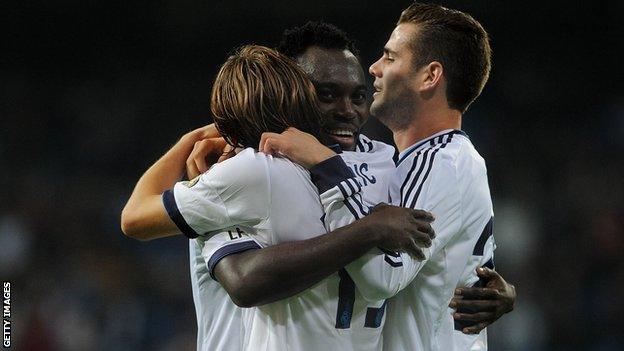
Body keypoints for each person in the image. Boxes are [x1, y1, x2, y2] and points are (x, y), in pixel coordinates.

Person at [121, 45, 435, 351]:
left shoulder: (250, 173)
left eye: (357, 96)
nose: (346, 109)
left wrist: (190, 141)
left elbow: (134, 219)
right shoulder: (383, 166)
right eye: (325, 95)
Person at [259, 3, 512, 350]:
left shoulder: (441, 163)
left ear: (430, 76)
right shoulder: (410, 161)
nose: (374, 68)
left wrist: (327, 165)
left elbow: (383, 275)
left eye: (391, 58)